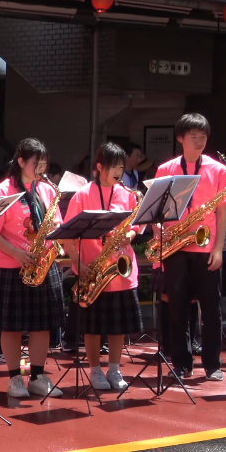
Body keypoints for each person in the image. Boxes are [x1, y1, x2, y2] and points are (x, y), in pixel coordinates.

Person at [0, 138, 66, 399]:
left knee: (43, 324)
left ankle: (38, 376)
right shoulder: (2, 191)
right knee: (11, 326)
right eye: (35, 162)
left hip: (41, 263)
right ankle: (14, 377)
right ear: (20, 162)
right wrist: (17, 253)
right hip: (11, 265)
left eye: (44, 162)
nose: (41, 167)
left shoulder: (47, 190)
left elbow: (56, 225)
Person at [63, 142, 149, 392]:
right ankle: (95, 371)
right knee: (92, 327)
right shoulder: (82, 195)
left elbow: (136, 227)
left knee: (118, 327)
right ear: (99, 167)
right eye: (114, 166)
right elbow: (68, 235)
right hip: (92, 270)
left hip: (121, 272)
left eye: (121, 167)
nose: (119, 171)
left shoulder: (128, 194)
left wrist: (130, 237)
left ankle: (114, 369)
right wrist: (78, 263)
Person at [154, 113, 226, 382]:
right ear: (180, 138)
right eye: (193, 137)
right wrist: (160, 231)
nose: (199, 141)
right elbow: (157, 212)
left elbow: (223, 213)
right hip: (176, 247)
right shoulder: (166, 170)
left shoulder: (218, 170)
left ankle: (212, 364)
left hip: (206, 247)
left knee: (212, 309)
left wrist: (219, 248)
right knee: (177, 308)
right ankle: (181, 363)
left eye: (203, 136)